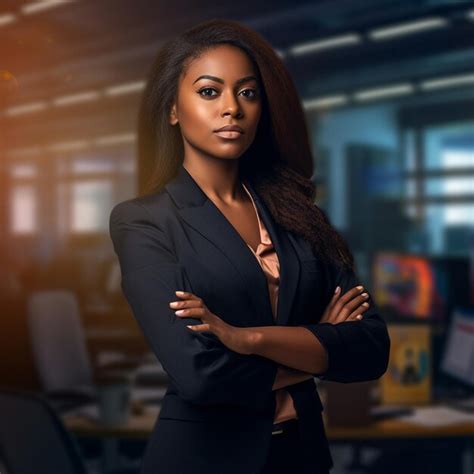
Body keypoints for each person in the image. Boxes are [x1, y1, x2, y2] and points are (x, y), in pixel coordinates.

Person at [109, 18, 391, 474]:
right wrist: (315, 347)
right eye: (208, 91)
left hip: (302, 455)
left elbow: (371, 348)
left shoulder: (299, 216)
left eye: (247, 92)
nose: (231, 110)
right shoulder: (144, 221)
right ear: (173, 109)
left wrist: (248, 339)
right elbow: (202, 378)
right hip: (204, 459)